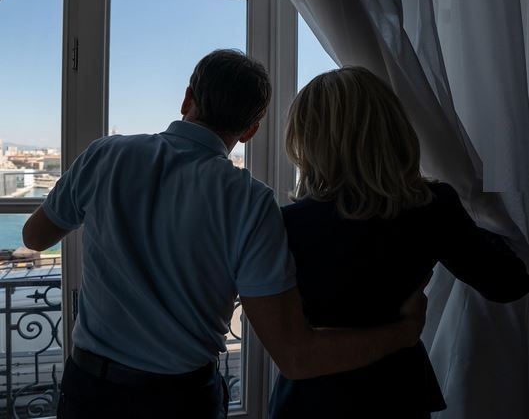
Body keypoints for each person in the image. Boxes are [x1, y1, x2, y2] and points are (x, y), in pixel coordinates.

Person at [23, 51, 428, 419]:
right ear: (250, 130)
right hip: (180, 401)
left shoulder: (105, 155)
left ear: (187, 99)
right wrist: (404, 331)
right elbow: (295, 355)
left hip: (90, 390)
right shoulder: (250, 201)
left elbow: (35, 237)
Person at [268, 66, 529, 419]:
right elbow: (508, 283)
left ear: (307, 141)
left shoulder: (286, 224)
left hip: (312, 399)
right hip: (397, 392)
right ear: (390, 128)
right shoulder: (432, 207)